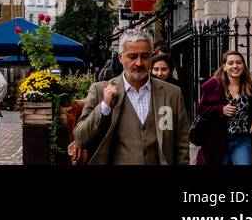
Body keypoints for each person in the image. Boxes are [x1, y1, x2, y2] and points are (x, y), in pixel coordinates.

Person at [75, 29, 190, 165]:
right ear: (120, 57)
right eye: (132, 56)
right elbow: (80, 138)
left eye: (145, 56)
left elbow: (181, 144)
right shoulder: (100, 90)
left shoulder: (172, 93)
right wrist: (104, 107)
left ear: (151, 57)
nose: (139, 63)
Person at [195, 50, 252, 166]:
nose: (235, 66)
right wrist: (221, 109)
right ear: (224, 67)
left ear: (244, 66)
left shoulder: (251, 88)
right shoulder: (214, 85)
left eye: (239, 63)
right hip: (218, 140)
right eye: (230, 63)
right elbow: (201, 109)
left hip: (242, 139)